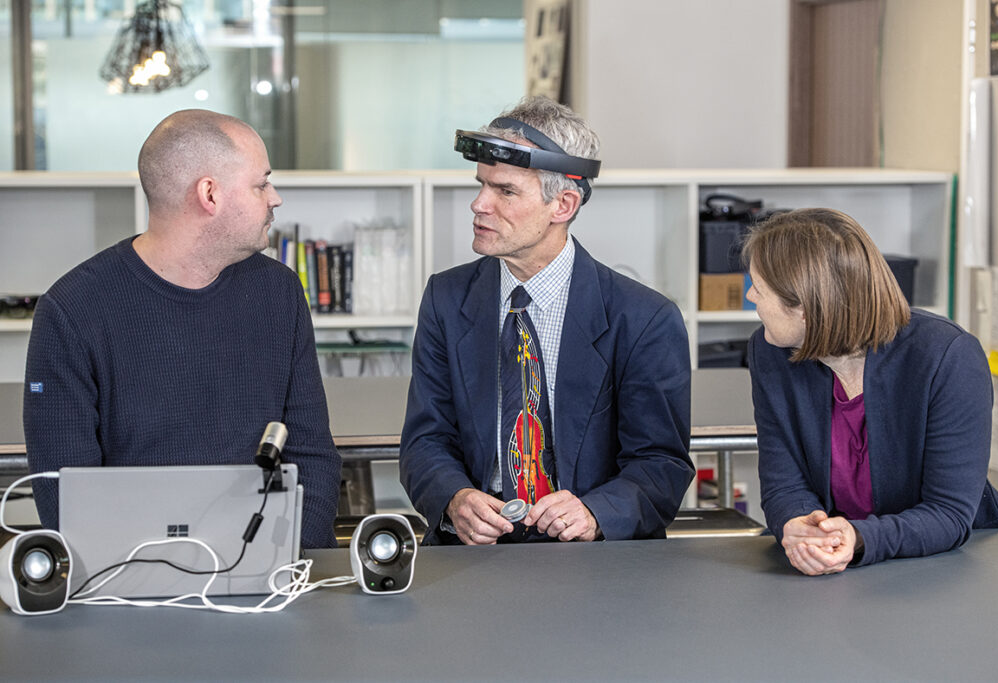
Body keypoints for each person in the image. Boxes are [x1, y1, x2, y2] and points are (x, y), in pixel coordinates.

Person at [23, 109, 340, 548]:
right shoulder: (72, 311)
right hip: (131, 582)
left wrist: (292, 561)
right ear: (209, 194)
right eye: (261, 183)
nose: (275, 197)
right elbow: (64, 493)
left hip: (271, 574)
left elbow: (313, 455)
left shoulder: (279, 292)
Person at [400, 96, 693, 545]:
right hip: (476, 552)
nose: (479, 204)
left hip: (592, 556)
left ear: (563, 205)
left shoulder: (643, 318)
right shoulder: (446, 298)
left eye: (506, 191)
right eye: (482, 185)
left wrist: (595, 513)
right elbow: (425, 440)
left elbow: (661, 465)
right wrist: (454, 498)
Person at [743, 207, 998, 575]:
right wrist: (798, 527)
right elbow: (783, 484)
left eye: (759, 288)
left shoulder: (947, 356)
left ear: (805, 307)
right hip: (836, 566)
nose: (750, 296)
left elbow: (949, 513)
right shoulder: (769, 351)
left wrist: (856, 537)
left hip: (945, 567)